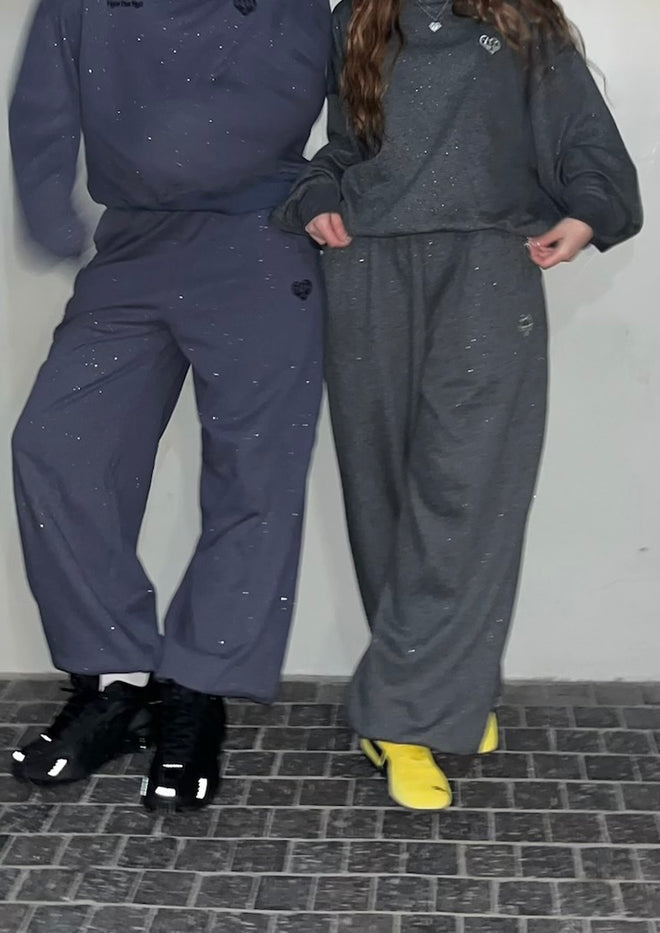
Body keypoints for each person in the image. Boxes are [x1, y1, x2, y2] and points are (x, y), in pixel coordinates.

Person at [274, 0, 642, 810]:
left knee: (470, 494)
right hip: (368, 267)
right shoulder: (358, 19)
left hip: (487, 265)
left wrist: (588, 210)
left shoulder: (521, 20)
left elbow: (582, 133)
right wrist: (319, 194)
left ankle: (405, 713)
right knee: (382, 490)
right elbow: (343, 148)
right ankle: (432, 696)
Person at [8, 0, 331, 811]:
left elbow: (319, 90)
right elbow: (43, 93)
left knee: (253, 479)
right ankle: (117, 681)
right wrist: (50, 209)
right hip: (133, 245)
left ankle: (196, 691)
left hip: (263, 241)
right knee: (56, 446)